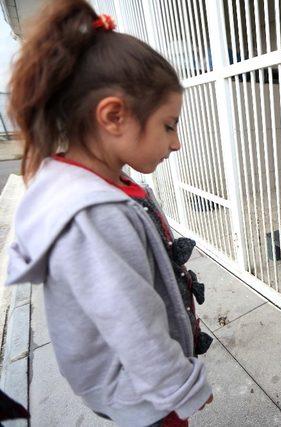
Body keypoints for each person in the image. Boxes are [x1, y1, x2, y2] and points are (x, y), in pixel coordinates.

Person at [5, 1, 213, 425]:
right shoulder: (94, 216)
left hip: (137, 383)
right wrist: (181, 389)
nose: (176, 144)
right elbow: (133, 323)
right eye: (169, 125)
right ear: (114, 116)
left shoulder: (96, 181)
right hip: (145, 393)